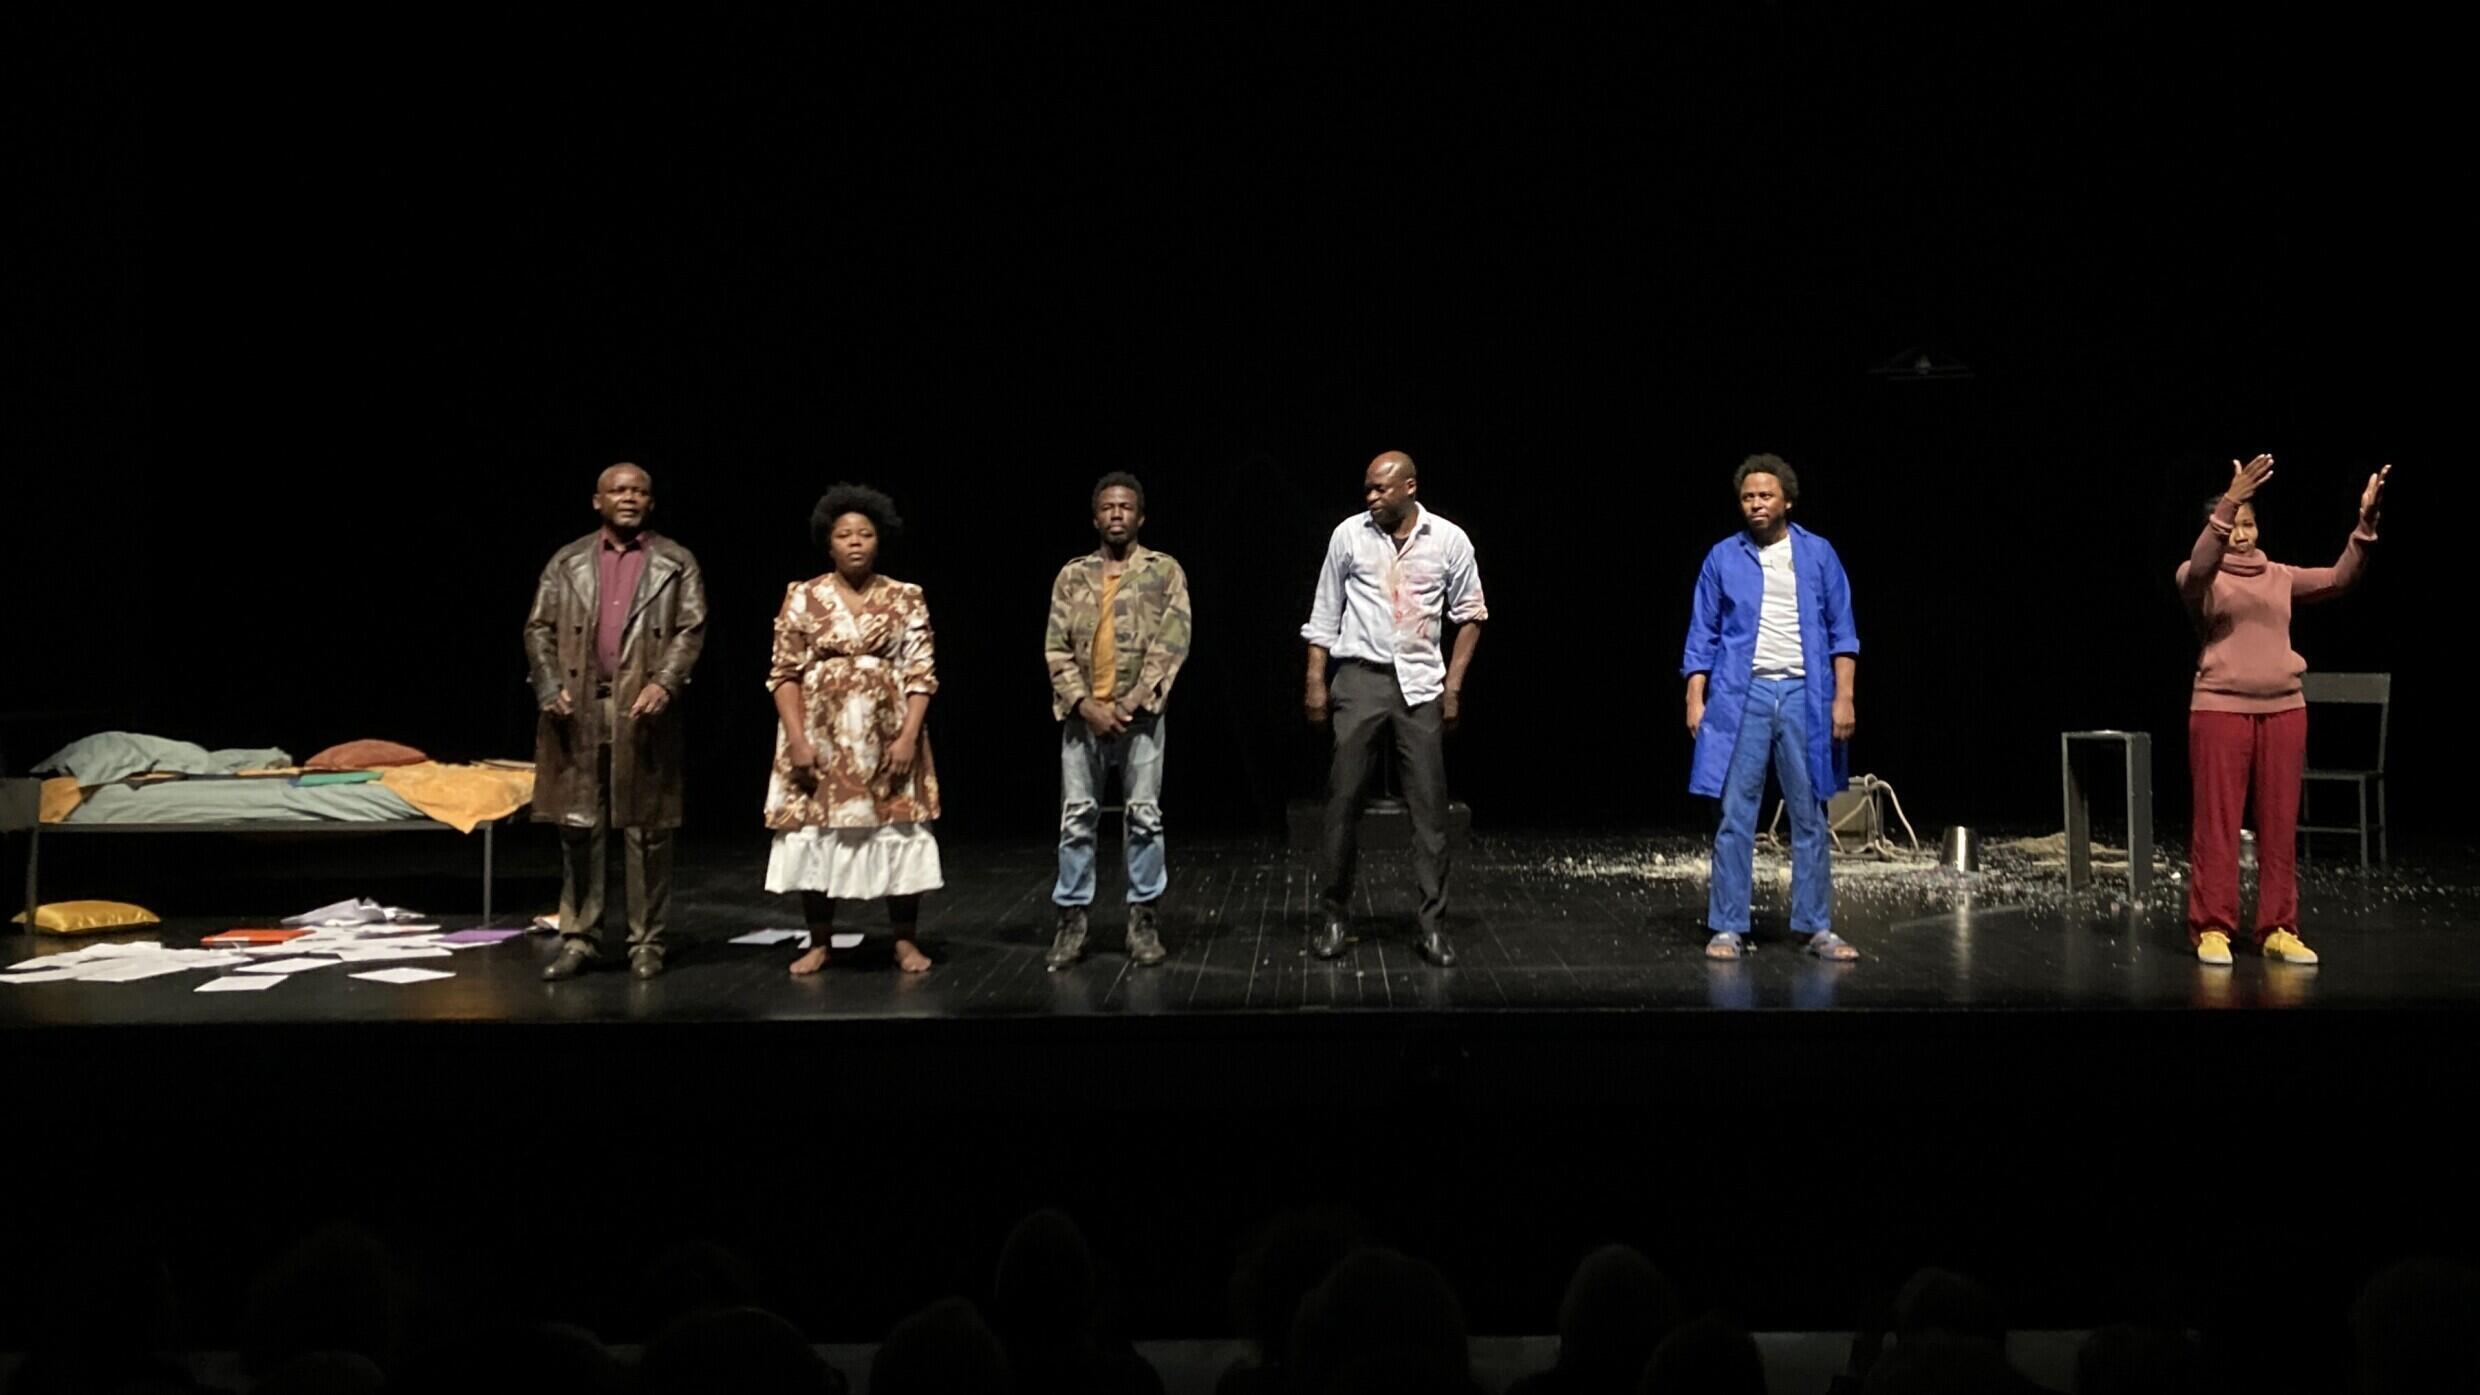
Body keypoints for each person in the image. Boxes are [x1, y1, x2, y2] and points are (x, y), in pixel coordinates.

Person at [2177, 454, 2387, 966]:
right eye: (2233, 528)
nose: (2242, 536)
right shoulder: (2199, 578)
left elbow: (2339, 578)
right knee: (2218, 824)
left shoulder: (2279, 575)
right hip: (2221, 710)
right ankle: (2212, 927)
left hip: (2285, 711)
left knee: (2279, 824)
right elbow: (2200, 562)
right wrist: (2228, 501)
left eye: (2248, 524)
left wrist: (2364, 526)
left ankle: (2277, 926)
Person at [1302, 450, 1487, 967]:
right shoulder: (1349, 535)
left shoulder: (1448, 540)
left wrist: (1452, 687)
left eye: (1381, 489)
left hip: (1420, 685)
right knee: (1342, 803)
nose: (1371, 497)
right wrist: (1316, 681)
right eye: (1368, 489)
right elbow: (1324, 611)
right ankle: (1335, 917)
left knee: (1429, 810)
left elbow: (1471, 613)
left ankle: (1431, 925)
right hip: (1360, 677)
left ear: (1410, 487)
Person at [526, 463, 708, 981]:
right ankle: (579, 938)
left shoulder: (675, 562)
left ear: (651, 502)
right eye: (619, 490)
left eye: (639, 491)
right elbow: (538, 627)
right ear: (597, 500)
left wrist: (665, 682)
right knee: (578, 828)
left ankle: (646, 941)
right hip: (578, 708)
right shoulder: (567, 562)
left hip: (641, 710)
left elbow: (690, 630)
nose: (629, 498)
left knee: (647, 831)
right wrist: (547, 684)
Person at [1682, 453, 1860, 961]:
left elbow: (1842, 633)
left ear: (1787, 500)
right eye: (1747, 496)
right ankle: (1728, 926)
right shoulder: (1723, 557)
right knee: (1735, 814)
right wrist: (1696, 697)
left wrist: (1843, 697)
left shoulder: (1819, 554)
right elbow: (1703, 635)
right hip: (1745, 696)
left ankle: (1814, 926)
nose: (1756, 503)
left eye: (1765, 495)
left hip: (1806, 694)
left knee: (1809, 813)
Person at [765, 483, 941, 975]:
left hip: (887, 733)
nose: (856, 542)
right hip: (821, 734)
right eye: (845, 535)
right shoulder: (803, 596)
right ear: (830, 542)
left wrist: (907, 736)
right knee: (816, 832)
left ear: (878, 540)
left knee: (898, 827)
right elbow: (784, 673)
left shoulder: (906, 596)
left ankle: (904, 940)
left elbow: (921, 672)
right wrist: (798, 740)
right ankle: (820, 940)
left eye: (865, 534)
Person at [1043, 471, 1193, 969]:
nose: (1116, 515)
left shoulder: (1162, 571)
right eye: (1107, 507)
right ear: (1095, 516)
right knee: (1077, 819)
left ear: (1140, 516)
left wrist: (1128, 704)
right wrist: (1085, 704)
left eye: (1125, 507)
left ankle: (1143, 918)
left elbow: (1173, 641)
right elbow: (1056, 648)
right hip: (1083, 718)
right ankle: (1072, 921)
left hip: (1140, 719)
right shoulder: (1072, 576)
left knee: (1144, 818)